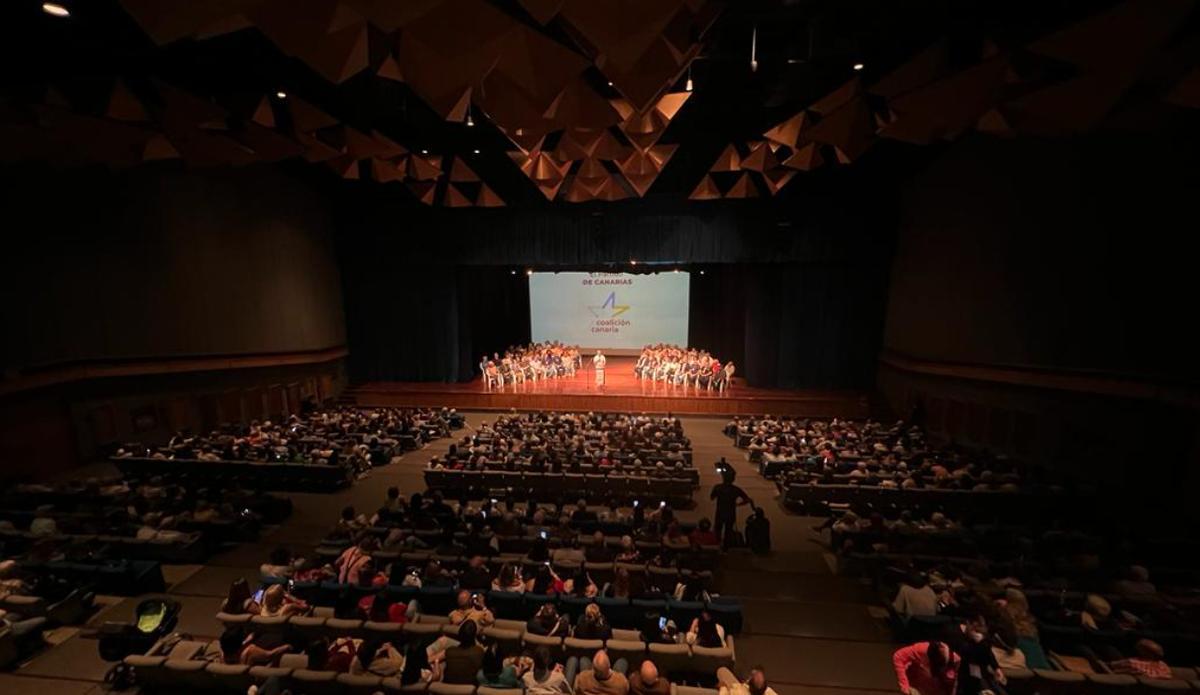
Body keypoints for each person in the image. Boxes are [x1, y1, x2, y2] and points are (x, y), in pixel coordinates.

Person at [892, 641, 959, 695]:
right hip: (920, 680)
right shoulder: (923, 649)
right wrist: (904, 685)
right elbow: (898, 656)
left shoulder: (957, 660)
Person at [710, 468, 752, 547]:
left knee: (717, 530)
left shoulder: (718, 487)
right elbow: (747, 499)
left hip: (720, 512)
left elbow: (712, 497)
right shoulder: (736, 489)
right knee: (728, 531)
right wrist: (738, 504)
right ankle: (726, 547)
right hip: (730, 512)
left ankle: (716, 545)